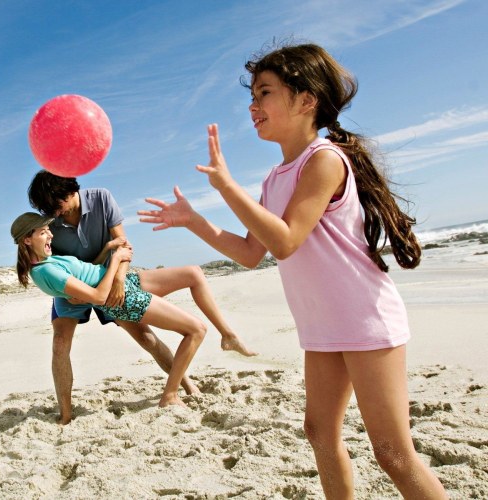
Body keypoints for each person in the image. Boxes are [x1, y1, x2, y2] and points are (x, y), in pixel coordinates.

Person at [139, 44, 447, 498]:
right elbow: (250, 252)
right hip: (323, 327)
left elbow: (286, 239)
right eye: (254, 94)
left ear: (306, 101)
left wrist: (225, 185)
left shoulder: (324, 160)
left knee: (392, 454)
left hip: (365, 320)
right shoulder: (274, 178)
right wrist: (195, 221)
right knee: (320, 435)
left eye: (265, 92)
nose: (253, 105)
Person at [27, 171, 253, 424]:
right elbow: (55, 266)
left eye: (57, 206)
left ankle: (186, 384)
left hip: (112, 275)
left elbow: (123, 244)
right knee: (59, 343)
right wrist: (79, 291)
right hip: (77, 286)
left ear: (69, 192)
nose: (55, 214)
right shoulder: (51, 220)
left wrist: (119, 281)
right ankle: (65, 416)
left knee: (146, 337)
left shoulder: (101, 198)